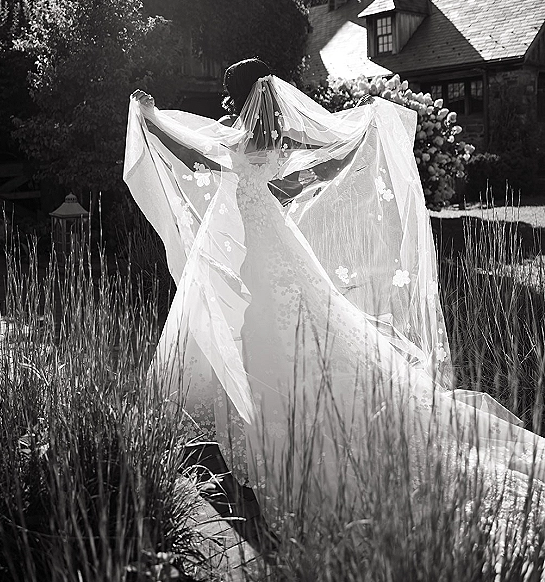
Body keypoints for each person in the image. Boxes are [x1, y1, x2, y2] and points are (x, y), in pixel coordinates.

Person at [125, 59, 545, 508]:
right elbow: (329, 160)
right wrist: (365, 133)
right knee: (292, 311)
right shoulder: (281, 132)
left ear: (239, 94)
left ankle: (237, 407)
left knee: (237, 312)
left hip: (237, 232)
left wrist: (151, 121)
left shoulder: (234, 131)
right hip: (269, 229)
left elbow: (194, 154)